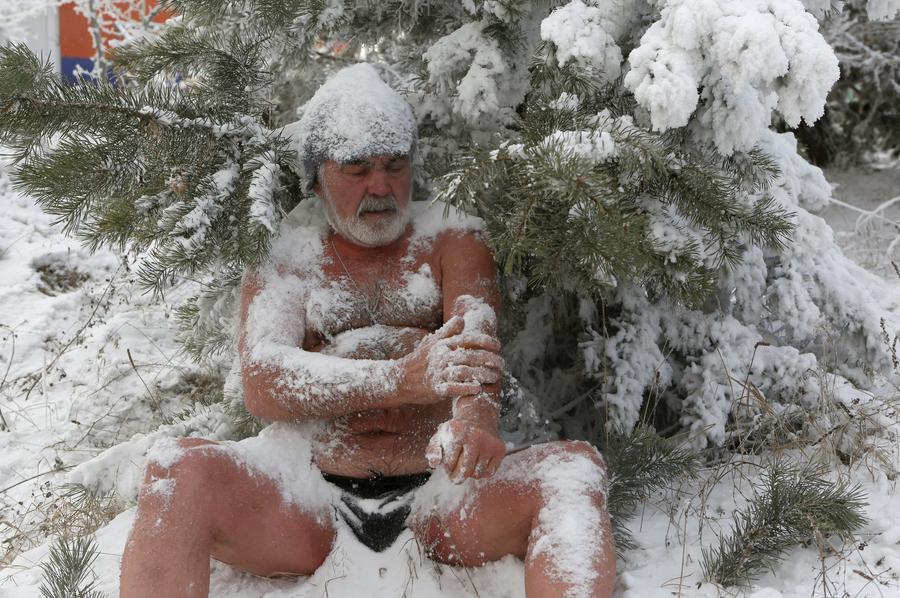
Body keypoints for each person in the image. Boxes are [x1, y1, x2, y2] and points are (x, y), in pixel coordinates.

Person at [119, 63, 615, 598]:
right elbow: (262, 380)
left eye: (394, 165)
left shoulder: (453, 237)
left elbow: (475, 350)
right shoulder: (288, 250)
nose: (380, 186)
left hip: (441, 498)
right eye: (356, 169)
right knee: (179, 470)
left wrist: (475, 424)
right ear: (316, 177)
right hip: (307, 499)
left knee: (573, 469)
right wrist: (400, 378)